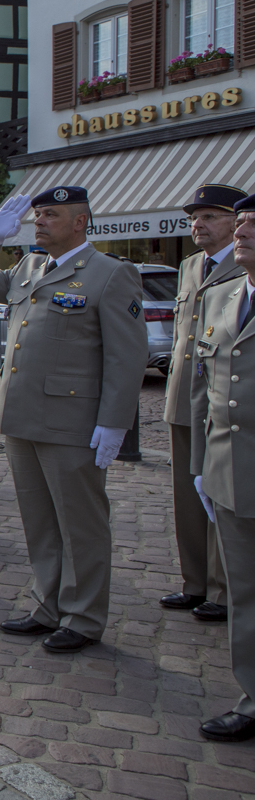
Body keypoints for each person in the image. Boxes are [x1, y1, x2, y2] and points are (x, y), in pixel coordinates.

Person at [0, 188, 147, 652]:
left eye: (51, 215)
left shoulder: (109, 273)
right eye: (38, 214)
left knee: (80, 523)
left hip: (72, 421)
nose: (39, 222)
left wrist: (114, 422)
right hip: (21, 416)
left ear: (81, 222)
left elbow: (127, 358)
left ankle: (83, 617)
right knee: (39, 520)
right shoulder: (28, 267)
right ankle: (48, 605)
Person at [189, 195, 255, 742]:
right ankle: (253, 695)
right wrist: (202, 464)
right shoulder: (224, 296)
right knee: (246, 593)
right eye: (247, 221)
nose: (246, 231)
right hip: (231, 470)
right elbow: (207, 392)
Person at [163, 184, 245, 622]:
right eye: (195, 216)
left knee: (219, 496)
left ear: (237, 221)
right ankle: (194, 582)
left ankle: (222, 589)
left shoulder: (244, 265)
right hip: (182, 398)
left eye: (210, 215)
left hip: (220, 401)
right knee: (186, 499)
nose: (199, 223)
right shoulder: (191, 265)